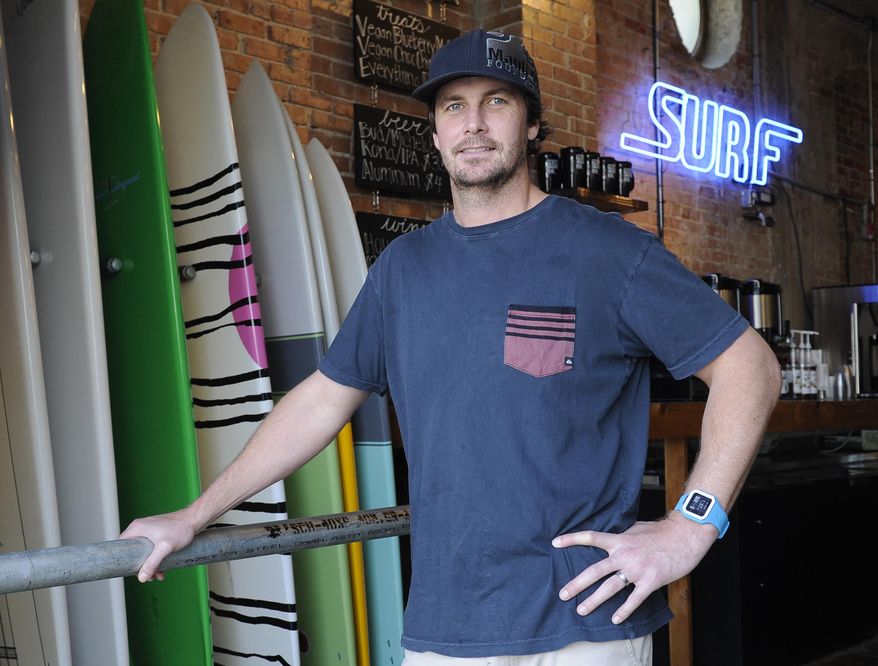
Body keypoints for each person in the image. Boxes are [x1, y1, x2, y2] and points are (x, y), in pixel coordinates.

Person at [123, 29, 781, 665]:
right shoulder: (403, 271)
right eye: (454, 107)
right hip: (447, 625)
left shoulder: (608, 251)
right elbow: (321, 400)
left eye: (497, 102)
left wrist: (692, 525)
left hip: (584, 623)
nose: (474, 123)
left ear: (530, 125)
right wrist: (195, 514)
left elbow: (751, 367)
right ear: (436, 134)